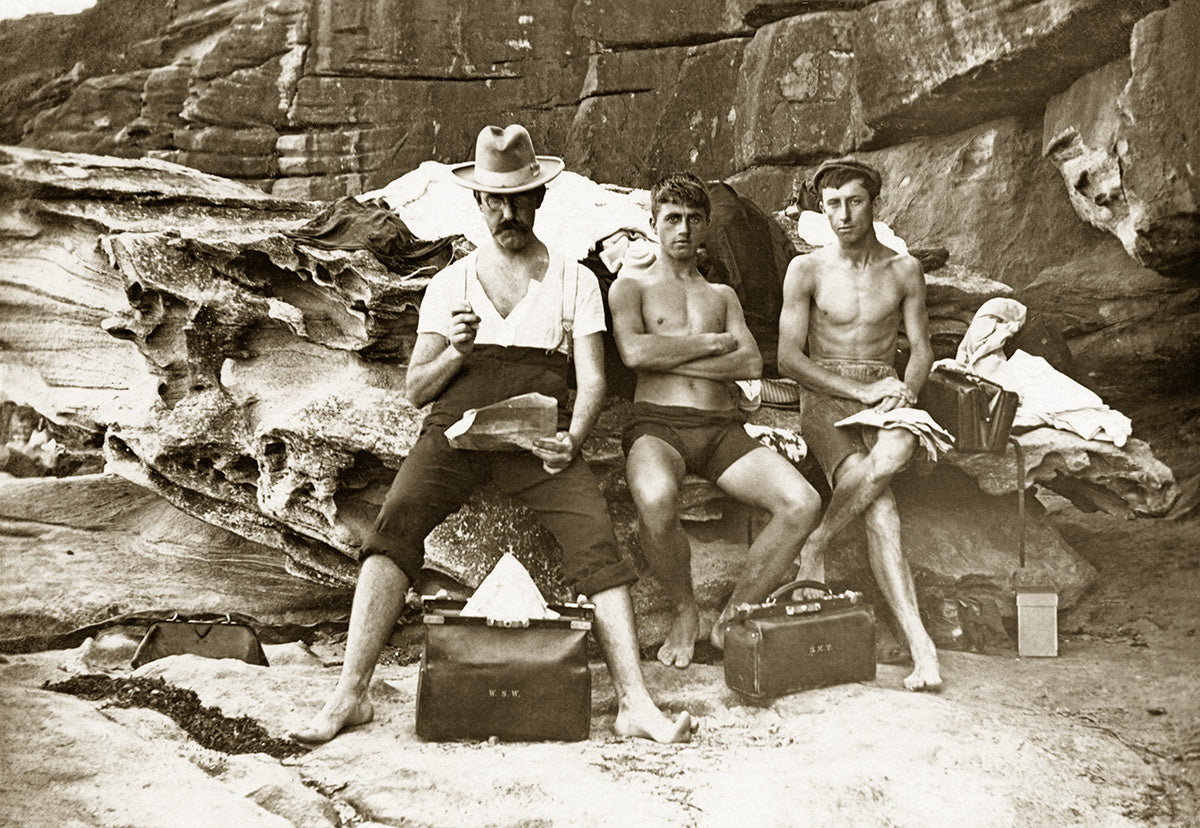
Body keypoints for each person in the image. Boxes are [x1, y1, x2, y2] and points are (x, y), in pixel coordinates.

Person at [289, 125, 692, 744]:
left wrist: (573, 439)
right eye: (494, 201)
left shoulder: (574, 279)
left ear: (539, 199)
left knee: (595, 540)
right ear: (477, 204)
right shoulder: (451, 282)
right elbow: (417, 389)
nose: (507, 212)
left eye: (519, 198)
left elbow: (590, 382)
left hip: (538, 444)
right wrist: (455, 351)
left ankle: (634, 703)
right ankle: (350, 695)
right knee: (394, 528)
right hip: (454, 435)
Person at [608, 172, 822, 668]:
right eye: (672, 219)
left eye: (693, 220)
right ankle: (685, 610)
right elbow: (634, 353)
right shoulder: (630, 287)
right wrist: (709, 343)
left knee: (802, 502)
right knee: (656, 498)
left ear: (706, 227)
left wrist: (669, 355)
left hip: (723, 429)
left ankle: (732, 614)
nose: (682, 229)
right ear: (653, 223)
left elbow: (748, 364)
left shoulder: (722, 296)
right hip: (657, 427)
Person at [778, 157, 941, 691]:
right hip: (827, 393)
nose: (843, 215)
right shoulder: (807, 269)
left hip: (886, 391)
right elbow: (788, 360)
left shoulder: (903, 270)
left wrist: (906, 392)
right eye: (832, 204)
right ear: (820, 208)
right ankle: (923, 646)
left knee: (893, 453)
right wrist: (860, 391)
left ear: (874, 203)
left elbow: (921, 348)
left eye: (854, 202)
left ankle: (818, 540)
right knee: (884, 504)